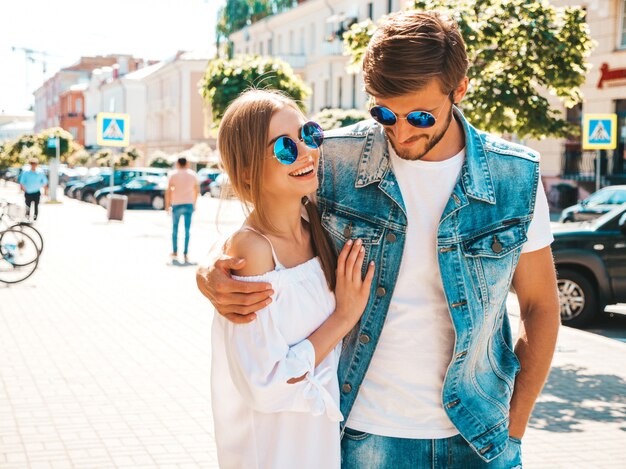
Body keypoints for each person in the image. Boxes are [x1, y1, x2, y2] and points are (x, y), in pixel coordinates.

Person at [198, 10, 560, 468]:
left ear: (461, 89)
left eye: (421, 116)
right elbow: (268, 216)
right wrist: (213, 264)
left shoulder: (515, 177)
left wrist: (514, 427)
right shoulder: (335, 161)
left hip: (479, 438)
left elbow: (541, 308)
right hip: (363, 435)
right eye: (385, 113)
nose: (402, 132)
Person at [211, 89, 374, 469]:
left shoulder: (314, 222)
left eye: (310, 135)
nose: (306, 152)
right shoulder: (252, 250)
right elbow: (265, 386)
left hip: (315, 446)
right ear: (247, 169)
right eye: (285, 147)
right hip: (273, 452)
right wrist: (343, 319)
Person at [165, 157, 199, 263]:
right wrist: (194, 203)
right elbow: (196, 190)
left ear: (178, 164)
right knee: (187, 230)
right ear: (187, 163)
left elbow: (169, 190)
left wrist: (167, 205)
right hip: (189, 204)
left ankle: (175, 251)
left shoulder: (173, 174)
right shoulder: (193, 175)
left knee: (175, 229)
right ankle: (185, 253)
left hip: (177, 204)